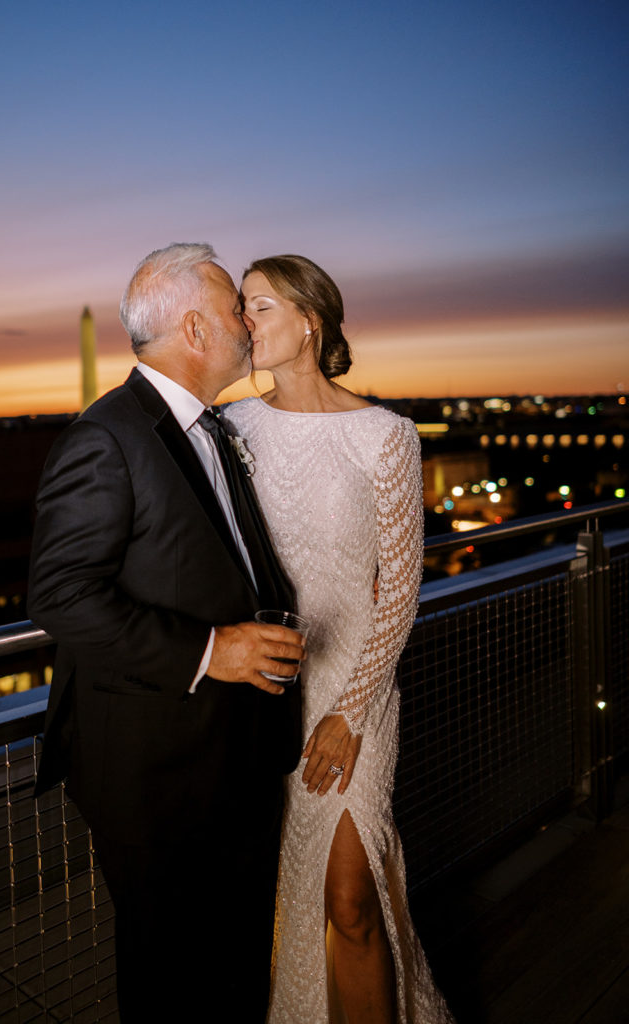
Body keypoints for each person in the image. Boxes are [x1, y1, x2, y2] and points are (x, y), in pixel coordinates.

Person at [27, 243, 306, 1024]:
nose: (247, 327)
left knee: (237, 961)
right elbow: (58, 593)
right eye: (232, 312)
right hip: (156, 768)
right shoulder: (106, 437)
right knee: (173, 975)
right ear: (194, 328)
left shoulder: (212, 429)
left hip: (237, 748)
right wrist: (214, 650)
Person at [223, 255, 455, 1023]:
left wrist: (351, 711)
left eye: (258, 307)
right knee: (288, 902)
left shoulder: (385, 436)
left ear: (309, 319)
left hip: (358, 686)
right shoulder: (232, 430)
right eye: (241, 308)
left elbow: (400, 590)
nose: (243, 323)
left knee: (351, 900)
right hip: (269, 692)